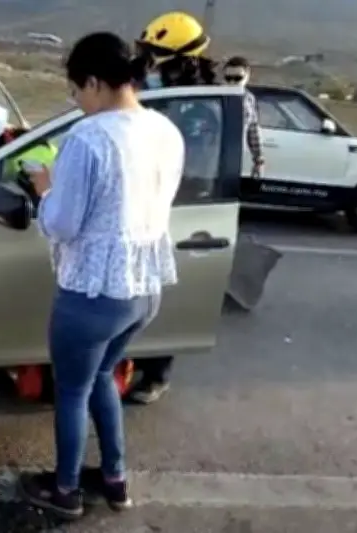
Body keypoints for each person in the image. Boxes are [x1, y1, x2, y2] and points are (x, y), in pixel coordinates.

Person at [16, 31, 184, 520]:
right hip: (143, 288)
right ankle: (115, 480)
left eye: (75, 90)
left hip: (92, 291)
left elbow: (63, 225)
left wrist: (44, 189)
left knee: (71, 390)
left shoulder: (88, 138)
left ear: (93, 82)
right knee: (104, 378)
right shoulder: (163, 129)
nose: (76, 101)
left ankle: (65, 491)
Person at [126, 10, 218, 405]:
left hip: (178, 209)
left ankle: (157, 372)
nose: (146, 66)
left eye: (153, 58)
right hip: (143, 204)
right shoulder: (160, 96)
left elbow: (191, 170)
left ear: (182, 61)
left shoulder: (199, 110)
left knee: (159, 297)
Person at [222, 55, 264, 177]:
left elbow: (253, 130)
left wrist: (259, 160)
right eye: (228, 78)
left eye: (237, 78)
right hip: (212, 158)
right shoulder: (215, 98)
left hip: (235, 158)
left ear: (247, 76)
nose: (232, 83)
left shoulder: (249, 99)